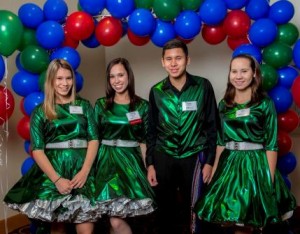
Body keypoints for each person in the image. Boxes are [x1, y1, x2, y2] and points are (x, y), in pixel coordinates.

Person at [194, 54, 296, 234]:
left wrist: (268, 179)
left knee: (250, 221)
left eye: (244, 71)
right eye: (234, 71)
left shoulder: (264, 104)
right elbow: (220, 140)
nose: (238, 76)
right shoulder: (224, 104)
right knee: (232, 219)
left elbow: (271, 144)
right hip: (229, 164)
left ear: (254, 74)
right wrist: (216, 169)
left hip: (254, 165)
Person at [4, 59, 99, 234]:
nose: (65, 83)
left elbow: (94, 138)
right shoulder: (41, 111)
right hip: (54, 170)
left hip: (81, 168)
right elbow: (37, 150)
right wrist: (57, 180)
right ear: (51, 81)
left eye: (69, 78)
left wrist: (85, 171)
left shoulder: (84, 105)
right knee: (57, 226)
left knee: (86, 226)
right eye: (59, 78)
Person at [146, 38, 219, 234]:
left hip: (194, 156)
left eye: (178, 58)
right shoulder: (156, 91)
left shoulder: (203, 87)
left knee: (195, 208)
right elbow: (151, 131)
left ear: (188, 60)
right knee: (164, 209)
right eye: (168, 59)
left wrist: (210, 161)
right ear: (162, 62)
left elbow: (213, 126)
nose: (173, 63)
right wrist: (150, 164)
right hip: (163, 156)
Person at [93, 57, 155, 234]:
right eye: (112, 76)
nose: (116, 80)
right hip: (106, 163)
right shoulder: (101, 105)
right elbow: (94, 140)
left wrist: (148, 167)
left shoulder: (142, 106)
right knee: (114, 220)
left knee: (117, 220)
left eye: (120, 75)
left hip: (130, 164)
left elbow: (144, 141)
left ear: (129, 76)